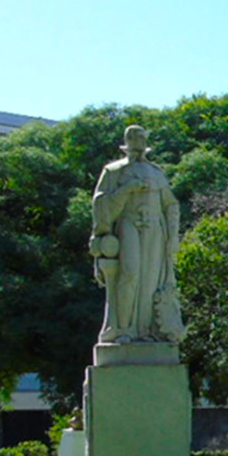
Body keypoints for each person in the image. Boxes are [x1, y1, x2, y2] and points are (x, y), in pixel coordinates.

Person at [89, 125, 185, 344]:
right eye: (133, 137)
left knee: (151, 282)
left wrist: (173, 236)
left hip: (155, 232)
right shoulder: (114, 171)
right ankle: (123, 330)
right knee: (130, 274)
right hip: (128, 226)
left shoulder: (156, 172)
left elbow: (171, 204)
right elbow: (100, 205)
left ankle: (145, 331)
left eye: (141, 137)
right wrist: (127, 189)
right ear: (127, 141)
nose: (137, 141)